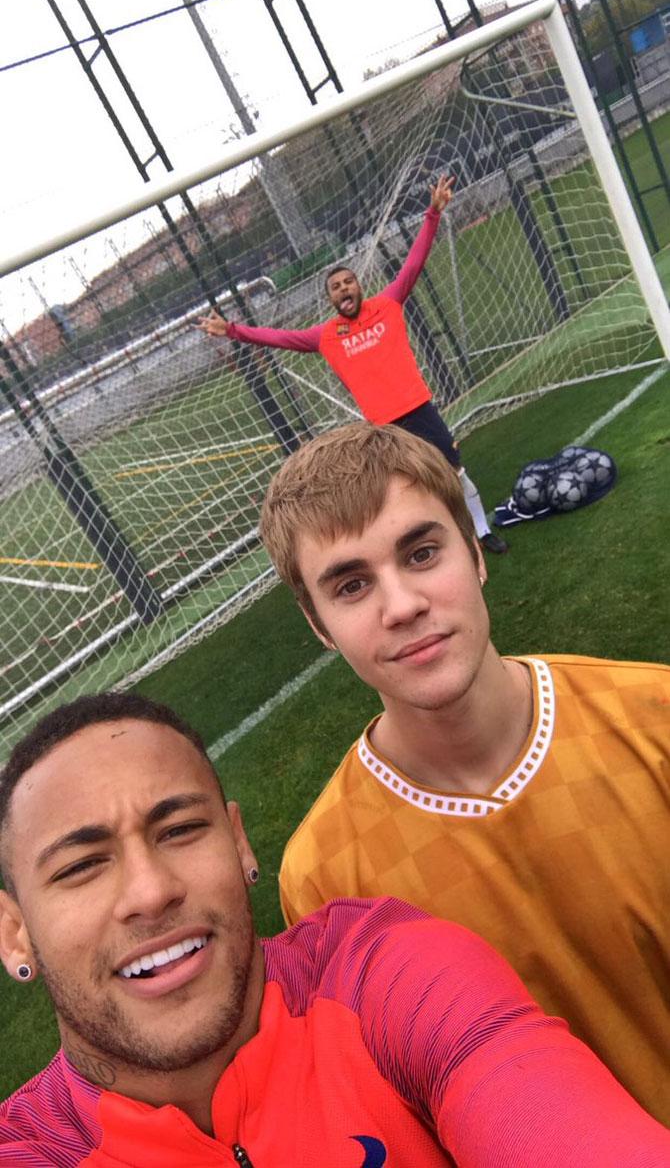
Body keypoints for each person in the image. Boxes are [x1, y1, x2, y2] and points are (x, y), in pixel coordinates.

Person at [1, 697, 669, 1166]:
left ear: (239, 845)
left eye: (180, 830)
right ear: (14, 933)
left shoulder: (381, 975)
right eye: (83, 865)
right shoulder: (33, 1149)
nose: (151, 890)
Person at [259, 421, 670, 1127]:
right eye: (352, 584)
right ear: (319, 624)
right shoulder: (324, 875)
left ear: (474, 550)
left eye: (421, 552)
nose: (402, 605)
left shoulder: (655, 716)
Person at [198, 175, 508, 556]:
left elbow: (413, 263)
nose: (343, 288)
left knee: (455, 472)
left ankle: (482, 530)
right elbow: (275, 337)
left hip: (419, 409)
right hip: (385, 428)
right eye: (335, 287)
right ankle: (441, 542)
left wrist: (432, 213)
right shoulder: (325, 336)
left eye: (348, 282)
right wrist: (231, 329)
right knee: (413, 488)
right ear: (330, 299)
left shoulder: (389, 303)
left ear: (359, 286)